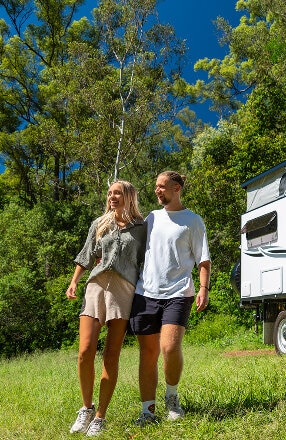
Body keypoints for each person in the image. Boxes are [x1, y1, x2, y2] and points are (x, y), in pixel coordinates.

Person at [129, 171, 211, 425]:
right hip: (146, 293)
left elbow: (203, 259)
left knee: (170, 347)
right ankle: (148, 411)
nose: (157, 191)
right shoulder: (151, 218)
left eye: (162, 186)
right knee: (148, 354)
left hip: (178, 292)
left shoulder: (193, 221)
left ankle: (172, 398)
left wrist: (203, 288)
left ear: (177, 188)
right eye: (156, 186)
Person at [66, 180, 146, 436]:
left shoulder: (142, 228)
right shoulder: (99, 224)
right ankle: (86, 408)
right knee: (85, 351)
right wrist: (73, 282)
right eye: (110, 193)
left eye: (117, 193)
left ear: (129, 196)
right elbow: (86, 255)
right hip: (96, 288)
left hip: (124, 293)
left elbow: (146, 261)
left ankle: (100, 417)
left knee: (111, 356)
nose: (112, 197)